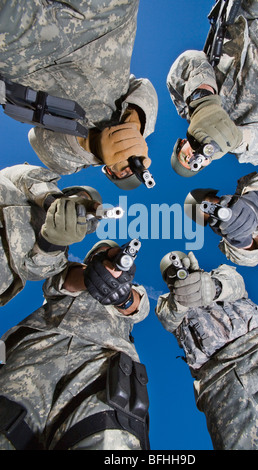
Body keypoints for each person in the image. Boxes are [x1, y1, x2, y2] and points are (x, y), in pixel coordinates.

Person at [0, 239, 150, 450]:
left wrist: (122, 295)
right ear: (91, 258)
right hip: (37, 351)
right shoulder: (68, 270)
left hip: (101, 365)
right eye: (102, 252)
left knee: (109, 441)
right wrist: (91, 276)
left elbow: (137, 307)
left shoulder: (134, 288)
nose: (108, 255)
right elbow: (62, 281)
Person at [0, 0, 158, 190]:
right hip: (101, 24)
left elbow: (39, 140)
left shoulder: (68, 163)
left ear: (109, 172)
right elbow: (143, 86)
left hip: (23, 56)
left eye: (123, 173)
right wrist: (137, 122)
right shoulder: (143, 128)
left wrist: (91, 145)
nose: (129, 168)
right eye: (132, 170)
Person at [156, 250, 258, 450]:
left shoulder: (223, 272)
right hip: (218, 384)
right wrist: (181, 297)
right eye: (171, 272)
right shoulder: (165, 303)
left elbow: (235, 283)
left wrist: (212, 287)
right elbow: (168, 317)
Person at [167, 0, 258, 177]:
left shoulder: (186, 104)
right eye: (195, 165)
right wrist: (237, 139)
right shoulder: (244, 150)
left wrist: (203, 104)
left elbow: (189, 61)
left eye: (184, 156)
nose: (192, 157)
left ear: (182, 143)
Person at [0, 163, 106, 306]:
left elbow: (34, 270)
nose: (80, 209)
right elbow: (20, 174)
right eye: (81, 197)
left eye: (90, 219)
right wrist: (53, 199)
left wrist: (55, 242)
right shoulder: (35, 185)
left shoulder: (58, 260)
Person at [184, 168, 258, 287]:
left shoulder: (246, 187)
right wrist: (240, 239)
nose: (213, 210)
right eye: (206, 215)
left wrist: (256, 200)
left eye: (208, 204)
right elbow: (249, 259)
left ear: (215, 196)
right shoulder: (229, 242)